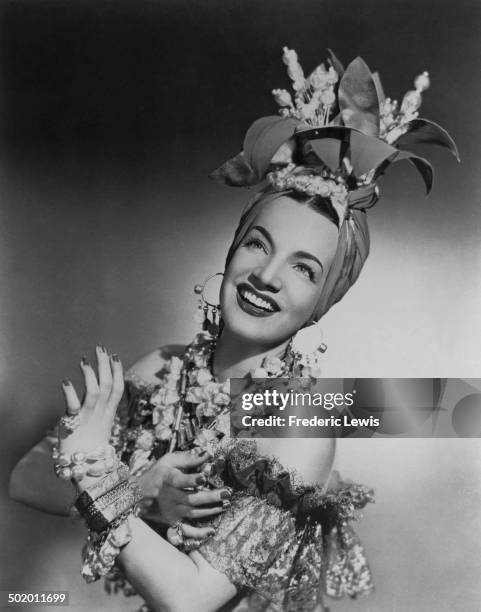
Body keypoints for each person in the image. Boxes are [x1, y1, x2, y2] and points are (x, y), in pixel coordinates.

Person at [9, 47, 457, 612]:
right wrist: (141, 489)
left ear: (323, 302)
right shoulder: (162, 371)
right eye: (257, 244)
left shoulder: (296, 429)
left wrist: (102, 474)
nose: (266, 276)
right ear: (232, 247)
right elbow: (26, 478)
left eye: (303, 268)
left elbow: (192, 599)